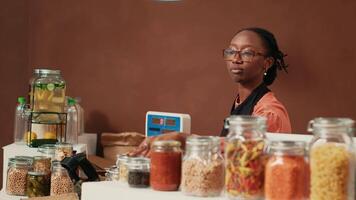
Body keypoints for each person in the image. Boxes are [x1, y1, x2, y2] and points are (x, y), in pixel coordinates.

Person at [129, 27, 291, 157]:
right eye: (231, 51)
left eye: (247, 53)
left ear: (267, 63)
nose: (236, 59)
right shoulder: (242, 100)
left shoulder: (269, 112)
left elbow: (245, 151)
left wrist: (183, 138)